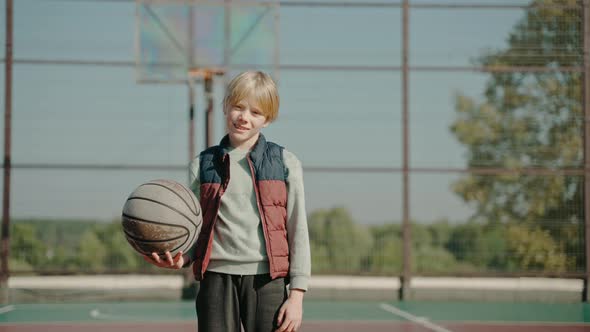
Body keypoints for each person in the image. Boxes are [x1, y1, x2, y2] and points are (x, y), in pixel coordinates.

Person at [143, 70, 311, 332]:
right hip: (216, 279)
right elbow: (194, 229)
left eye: (255, 112)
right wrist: (182, 258)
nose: (244, 117)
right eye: (238, 107)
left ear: (267, 119)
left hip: (267, 281)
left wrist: (297, 295)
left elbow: (297, 228)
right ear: (226, 106)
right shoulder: (202, 164)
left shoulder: (285, 163)